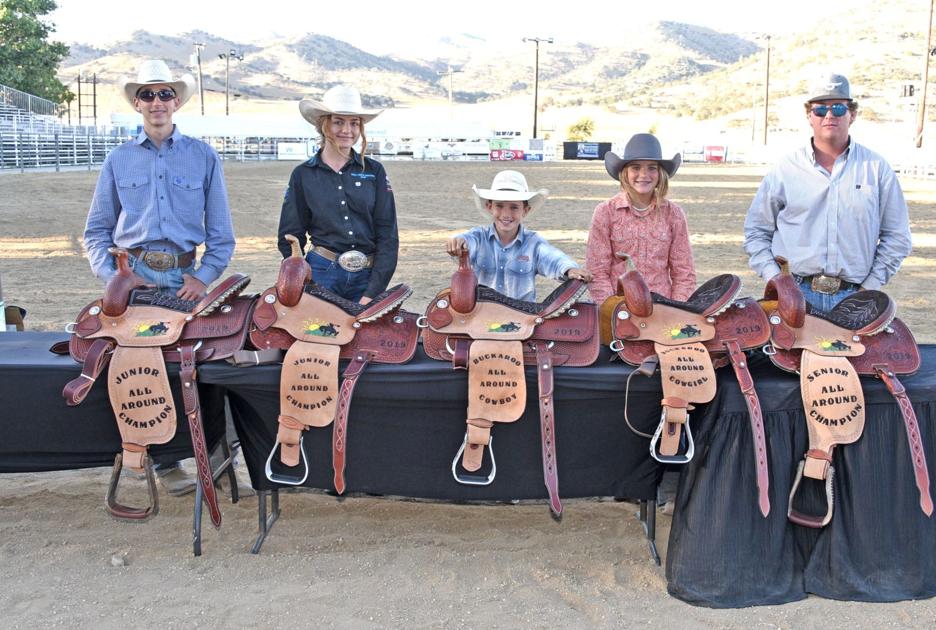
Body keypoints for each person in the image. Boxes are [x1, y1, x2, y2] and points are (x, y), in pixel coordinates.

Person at [83, 59, 236, 496]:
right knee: (142, 361)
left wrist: (203, 277)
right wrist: (114, 276)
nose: (156, 102)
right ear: (137, 102)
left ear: (176, 101)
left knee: (207, 360)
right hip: (136, 273)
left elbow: (222, 234)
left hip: (186, 273)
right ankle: (163, 460)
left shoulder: (203, 156)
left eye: (164, 93)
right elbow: (96, 230)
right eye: (147, 94)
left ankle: (217, 451)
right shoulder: (119, 159)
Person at [744, 72, 912, 311]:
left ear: (852, 114)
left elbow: (897, 237)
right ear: (809, 115)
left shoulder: (876, 169)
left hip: (855, 295)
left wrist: (870, 286)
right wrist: (776, 279)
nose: (829, 115)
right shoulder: (785, 170)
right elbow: (756, 231)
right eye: (820, 109)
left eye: (838, 108)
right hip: (794, 292)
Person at [277, 85, 398, 304]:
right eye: (338, 122)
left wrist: (373, 291)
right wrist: (303, 276)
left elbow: (388, 235)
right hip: (321, 273)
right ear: (323, 125)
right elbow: (290, 235)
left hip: (367, 276)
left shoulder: (374, 171)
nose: (347, 130)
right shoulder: (303, 175)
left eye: (354, 123)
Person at [445, 169, 591, 301]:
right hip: (481, 314)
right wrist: (459, 242)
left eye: (514, 207)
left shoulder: (533, 243)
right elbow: (467, 240)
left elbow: (553, 258)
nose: (506, 214)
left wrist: (569, 269)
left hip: (521, 318)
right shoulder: (478, 237)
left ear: (525, 210)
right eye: (499, 206)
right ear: (490, 207)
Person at [585, 133, 696, 306]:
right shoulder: (605, 212)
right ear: (625, 173)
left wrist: (676, 309)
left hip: (662, 306)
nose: (643, 174)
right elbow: (597, 270)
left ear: (660, 173)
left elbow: (684, 272)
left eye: (652, 167)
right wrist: (612, 309)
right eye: (636, 167)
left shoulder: (673, 214)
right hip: (618, 306)